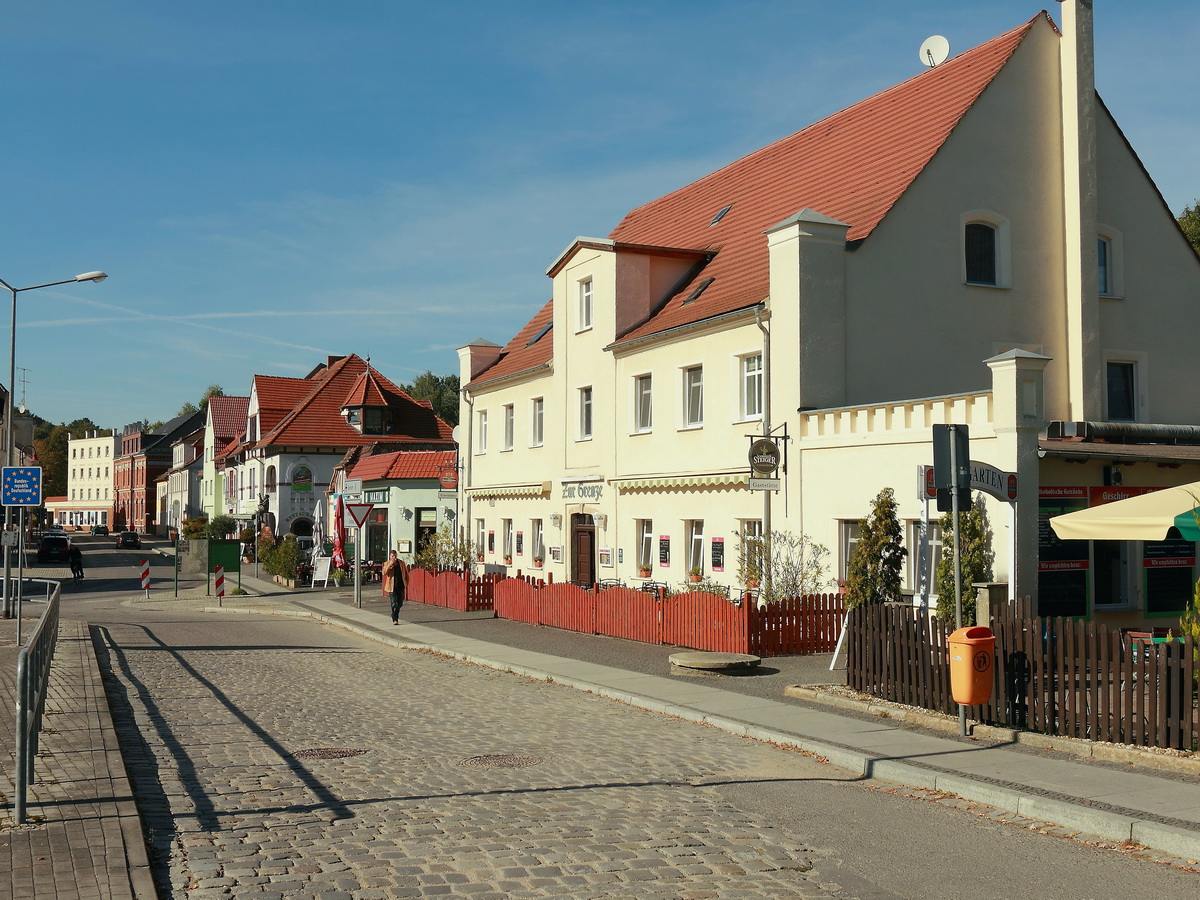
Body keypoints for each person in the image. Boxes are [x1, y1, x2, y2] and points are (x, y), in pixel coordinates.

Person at [381, 549, 409, 624]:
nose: (394, 557)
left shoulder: (401, 563)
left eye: (395, 555)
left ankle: (394, 614)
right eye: (392, 556)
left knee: (400, 603)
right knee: (394, 603)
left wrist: (406, 583)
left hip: (400, 585)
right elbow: (384, 572)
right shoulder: (387, 563)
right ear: (390, 556)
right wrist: (391, 564)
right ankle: (395, 618)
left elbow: (406, 573)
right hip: (391, 586)